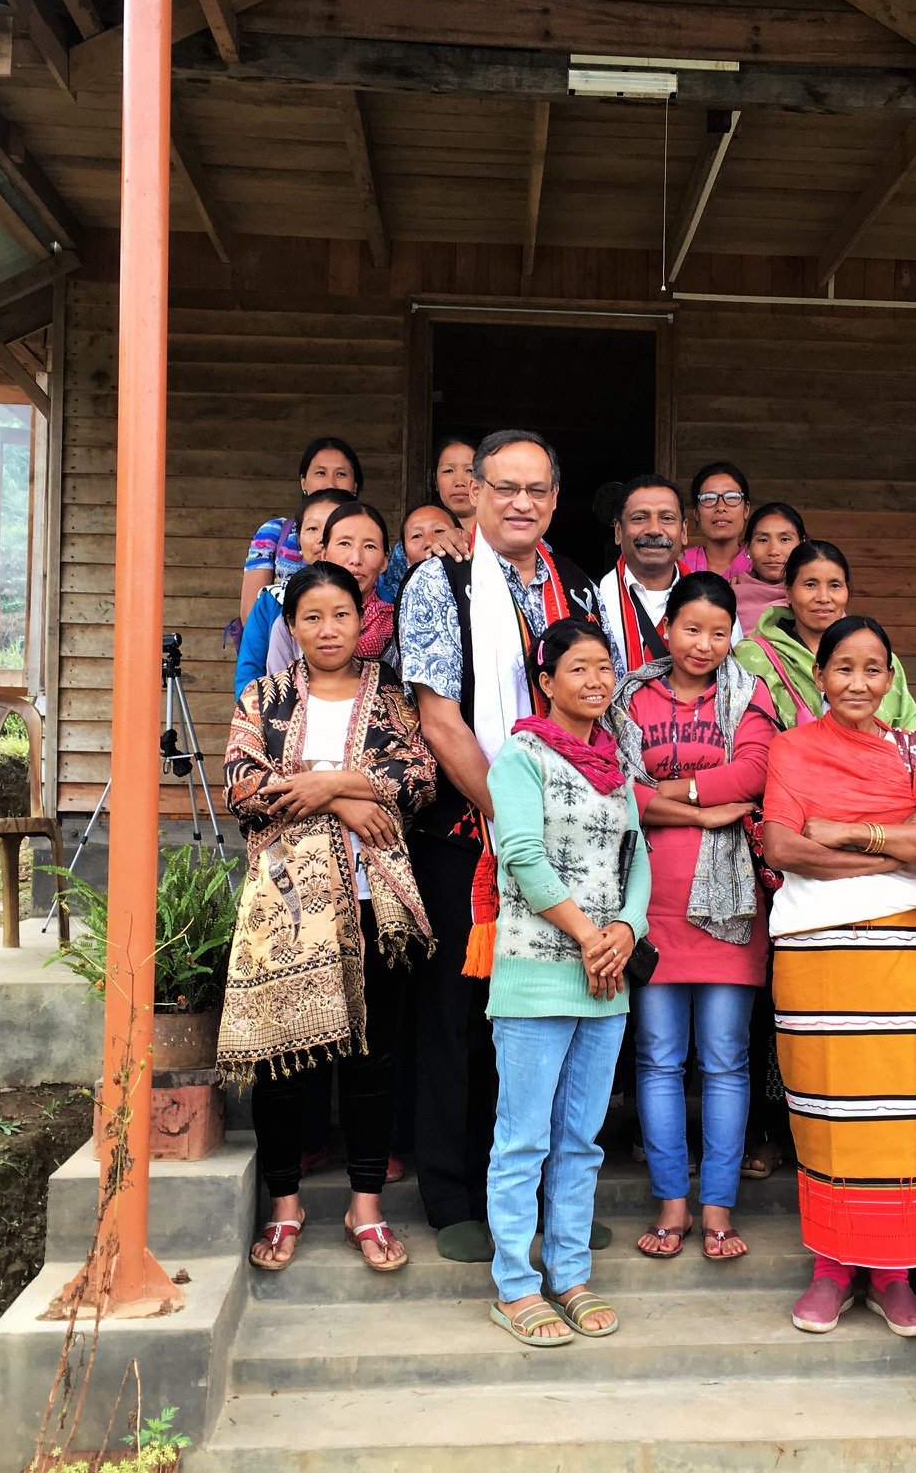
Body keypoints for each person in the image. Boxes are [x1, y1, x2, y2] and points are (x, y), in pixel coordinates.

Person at [760, 614, 916, 1336]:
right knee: (831, 1112)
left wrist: (848, 831)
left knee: (906, 1112)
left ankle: (894, 1273)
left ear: (891, 677)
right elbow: (783, 847)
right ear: (820, 676)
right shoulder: (790, 748)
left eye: (873, 669)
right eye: (843, 668)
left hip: (908, 945)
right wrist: (896, 849)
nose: (858, 683)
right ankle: (832, 1269)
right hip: (816, 949)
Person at [397, 428, 604, 1261]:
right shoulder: (438, 581)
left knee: (547, 1016)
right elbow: (439, 717)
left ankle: (551, 1199)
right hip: (471, 835)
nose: (521, 502)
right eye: (505, 486)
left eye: (537, 489)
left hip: (569, 849)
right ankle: (454, 1197)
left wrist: (569, 823)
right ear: (474, 493)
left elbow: (599, 704)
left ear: (554, 499)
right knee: (458, 1014)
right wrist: (517, 820)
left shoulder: (576, 588)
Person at [218, 561, 437, 1276]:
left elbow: (421, 778)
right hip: (290, 906)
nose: (328, 629)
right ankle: (286, 1205)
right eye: (311, 617)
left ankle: (365, 1206)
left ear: (362, 618)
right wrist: (343, 800)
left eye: (340, 614)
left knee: (375, 1058)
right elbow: (243, 785)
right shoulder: (265, 697)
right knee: (287, 1061)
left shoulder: (393, 698)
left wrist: (331, 779)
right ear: (292, 626)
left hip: (380, 902)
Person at [483, 619, 647, 1345]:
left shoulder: (617, 763)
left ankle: (571, 1274)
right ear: (546, 682)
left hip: (606, 979)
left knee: (581, 1138)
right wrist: (589, 936)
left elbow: (636, 857)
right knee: (523, 1139)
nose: (595, 681)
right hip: (537, 974)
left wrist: (627, 931)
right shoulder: (519, 758)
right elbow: (518, 851)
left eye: (604, 668)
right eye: (577, 668)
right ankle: (516, 1284)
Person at [609, 572, 777, 1263]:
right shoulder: (629, 696)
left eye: (718, 631)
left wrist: (671, 791)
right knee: (656, 1057)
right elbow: (617, 787)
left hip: (731, 902)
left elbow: (755, 775)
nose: (703, 643)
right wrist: (703, 811)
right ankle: (671, 1200)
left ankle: (717, 1209)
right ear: (666, 628)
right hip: (651, 895)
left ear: (732, 633)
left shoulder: (749, 694)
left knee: (727, 1059)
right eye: (690, 628)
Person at [735, 540, 916, 731]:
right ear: (788, 592)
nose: (823, 597)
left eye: (835, 585)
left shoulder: (881, 660)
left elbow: (907, 741)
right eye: (810, 585)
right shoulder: (753, 657)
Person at [235, 489, 357, 699]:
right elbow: (249, 677)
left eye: (331, 527)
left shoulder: (379, 601)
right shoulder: (271, 601)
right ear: (299, 541)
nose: (321, 538)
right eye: (311, 528)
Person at [238, 437, 363, 626]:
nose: (330, 482)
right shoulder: (274, 532)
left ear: (354, 485)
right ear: (303, 482)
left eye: (341, 474)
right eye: (320, 472)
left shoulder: (368, 532)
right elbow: (250, 615)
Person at [597, 474, 686, 683]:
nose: (654, 529)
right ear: (618, 531)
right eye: (639, 518)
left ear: (683, 531)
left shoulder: (712, 600)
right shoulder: (592, 602)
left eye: (667, 518)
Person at [383, 434, 479, 602]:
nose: (459, 481)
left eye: (470, 470)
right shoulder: (409, 543)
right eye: (448, 470)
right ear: (435, 481)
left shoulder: (499, 537)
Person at [737, 501, 806, 625]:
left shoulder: (817, 596)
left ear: (802, 544)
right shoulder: (730, 596)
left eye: (785, 539)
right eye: (763, 540)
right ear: (747, 547)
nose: (773, 551)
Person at [680, 462, 753, 579]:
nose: (720, 507)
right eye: (709, 498)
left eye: (732, 497)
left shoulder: (758, 567)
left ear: (746, 509)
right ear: (696, 513)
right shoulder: (679, 566)